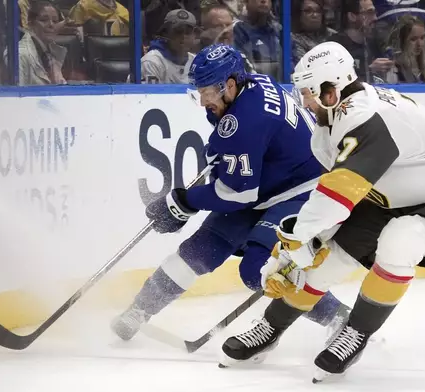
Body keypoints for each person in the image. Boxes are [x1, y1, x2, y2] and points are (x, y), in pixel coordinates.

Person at [220, 41, 425, 383]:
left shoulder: (364, 118)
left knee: (400, 243)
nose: (303, 102)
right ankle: (271, 326)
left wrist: (292, 244)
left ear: (330, 90)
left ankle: (356, 333)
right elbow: (335, 204)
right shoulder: (329, 127)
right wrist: (295, 252)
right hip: (394, 194)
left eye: (307, 94)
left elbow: (335, 196)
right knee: (327, 256)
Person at [111, 43, 351, 342]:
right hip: (266, 185)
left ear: (230, 84)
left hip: (302, 190)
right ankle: (140, 309)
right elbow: (244, 164)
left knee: (257, 268)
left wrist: (182, 201)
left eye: (207, 93)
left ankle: (339, 317)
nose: (202, 101)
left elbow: (238, 194)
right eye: (199, 92)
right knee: (199, 250)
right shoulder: (253, 87)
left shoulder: (246, 121)